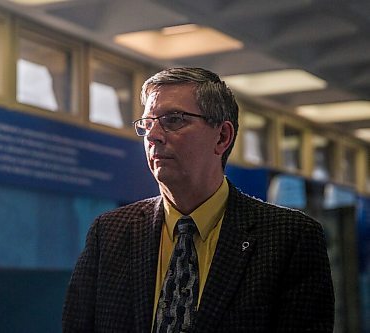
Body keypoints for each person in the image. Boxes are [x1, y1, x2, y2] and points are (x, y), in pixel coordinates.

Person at [62, 67, 334, 332]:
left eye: (173, 120)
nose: (153, 136)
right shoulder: (110, 232)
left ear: (222, 137)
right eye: (147, 124)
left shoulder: (289, 238)